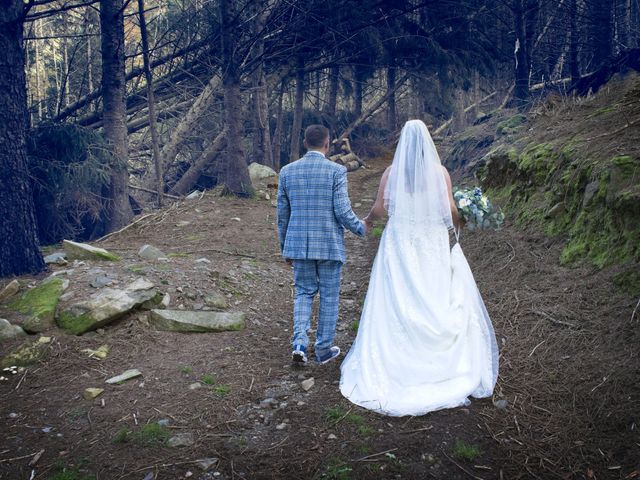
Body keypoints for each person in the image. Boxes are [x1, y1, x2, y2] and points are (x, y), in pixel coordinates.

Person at [340, 119, 499, 416]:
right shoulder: (439, 173)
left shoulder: (391, 173)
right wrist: (463, 217)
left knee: (397, 294)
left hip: (400, 241)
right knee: (432, 289)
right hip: (430, 243)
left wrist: (369, 221)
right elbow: (449, 209)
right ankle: (437, 356)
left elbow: (381, 208)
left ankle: (396, 357)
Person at [277, 125, 367, 365]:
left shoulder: (287, 172)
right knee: (329, 296)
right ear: (327, 144)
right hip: (329, 244)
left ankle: (299, 344)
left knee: (304, 293)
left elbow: (282, 215)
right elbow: (342, 211)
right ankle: (324, 349)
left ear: (305, 143)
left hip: (298, 245)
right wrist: (361, 227)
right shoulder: (336, 171)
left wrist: (285, 246)